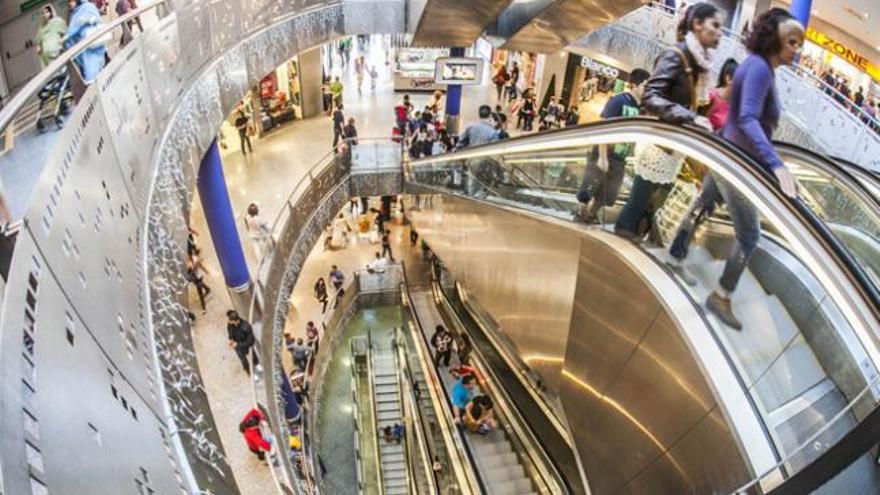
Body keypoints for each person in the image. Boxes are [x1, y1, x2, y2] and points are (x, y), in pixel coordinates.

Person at [702, 8, 803, 330]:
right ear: (775, 39)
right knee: (749, 236)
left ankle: (676, 254)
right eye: (792, 42)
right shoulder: (760, 69)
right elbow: (746, 117)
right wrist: (775, 163)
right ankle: (721, 294)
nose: (797, 50)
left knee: (703, 204)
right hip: (737, 160)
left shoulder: (757, 66)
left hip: (728, 152)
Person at [574, 68, 651, 222]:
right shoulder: (618, 101)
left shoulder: (641, 109)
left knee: (608, 194)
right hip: (604, 154)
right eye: (645, 86)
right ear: (634, 85)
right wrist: (602, 157)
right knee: (588, 189)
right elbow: (603, 128)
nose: (647, 91)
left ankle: (591, 214)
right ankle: (581, 214)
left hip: (620, 158)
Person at [641, 2, 722, 130]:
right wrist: (691, 117)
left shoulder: (701, 65)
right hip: (658, 138)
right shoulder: (675, 55)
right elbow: (650, 97)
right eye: (715, 25)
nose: (720, 33)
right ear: (697, 24)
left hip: (675, 138)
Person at [613, 143, 685, 239]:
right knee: (638, 202)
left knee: (647, 205)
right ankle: (624, 231)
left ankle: (632, 232)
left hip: (665, 163)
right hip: (653, 160)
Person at [64, 0, 107, 83]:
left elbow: (96, 20)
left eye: (71, 1)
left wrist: (86, 20)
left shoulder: (88, 7)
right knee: (91, 72)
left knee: (92, 73)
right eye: (68, 2)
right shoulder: (74, 14)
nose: (69, 4)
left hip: (92, 46)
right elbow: (72, 31)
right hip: (82, 50)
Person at [227, 310, 259, 374]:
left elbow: (250, 342)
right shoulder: (230, 324)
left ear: (236, 321)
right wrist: (231, 339)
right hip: (237, 346)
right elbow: (230, 331)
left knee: (253, 356)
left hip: (246, 345)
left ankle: (257, 365)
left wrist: (237, 345)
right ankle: (248, 371)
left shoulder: (246, 326)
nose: (230, 323)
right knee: (243, 360)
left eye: (232, 322)